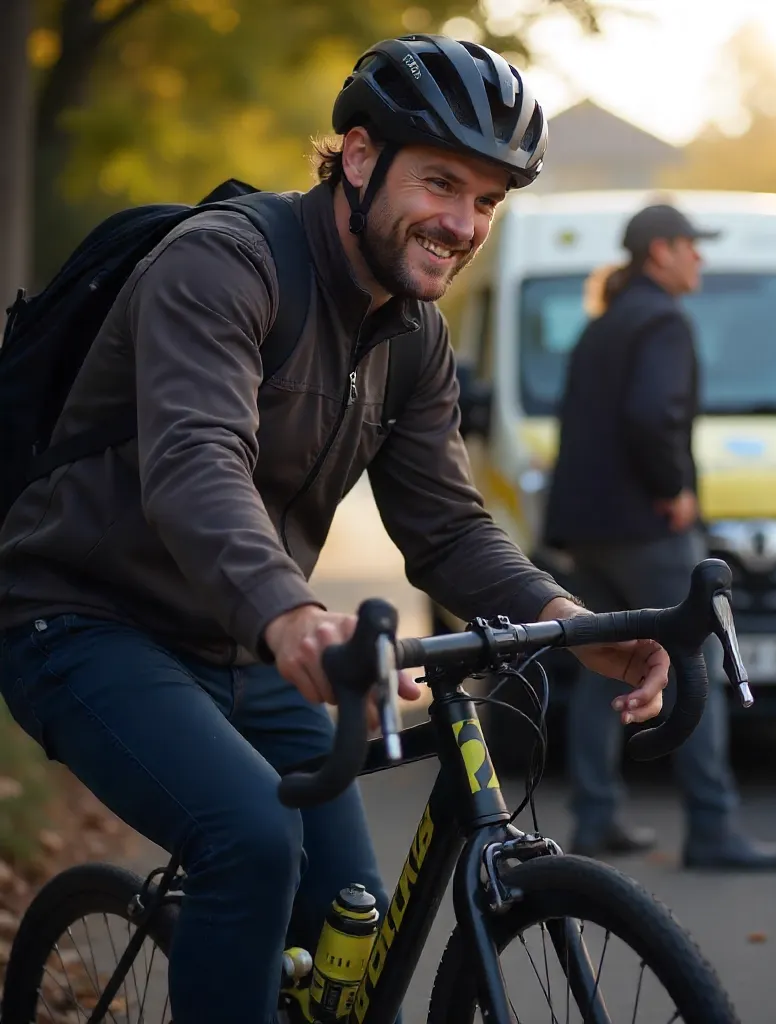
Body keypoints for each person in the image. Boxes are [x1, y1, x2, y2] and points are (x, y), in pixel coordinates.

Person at [0, 36, 674, 1024]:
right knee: (252, 841)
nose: (461, 223)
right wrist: (292, 615)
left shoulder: (413, 333)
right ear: (357, 157)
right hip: (81, 621)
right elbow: (194, 468)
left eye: (487, 200)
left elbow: (444, 528)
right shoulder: (225, 265)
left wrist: (570, 614)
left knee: (352, 910)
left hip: (243, 643)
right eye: (441, 182)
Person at [544, 202, 776, 871]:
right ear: (660, 252)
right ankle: (712, 827)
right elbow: (651, 415)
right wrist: (674, 486)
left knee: (606, 667)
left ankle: (595, 818)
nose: (699, 259)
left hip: (586, 529)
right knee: (697, 663)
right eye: (690, 246)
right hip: (645, 527)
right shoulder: (663, 320)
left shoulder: (607, 323)